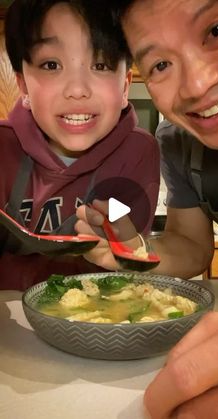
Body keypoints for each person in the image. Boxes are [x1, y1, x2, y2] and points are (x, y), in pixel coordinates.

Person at [75, 1, 218, 418]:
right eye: (161, 63)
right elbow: (192, 245)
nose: (198, 85)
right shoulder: (177, 138)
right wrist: (133, 251)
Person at [0, 0, 159, 290]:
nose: (77, 90)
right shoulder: (3, 147)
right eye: (51, 65)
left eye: (100, 64)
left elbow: (128, 273)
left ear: (125, 87)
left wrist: (128, 244)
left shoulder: (138, 152)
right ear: (23, 86)